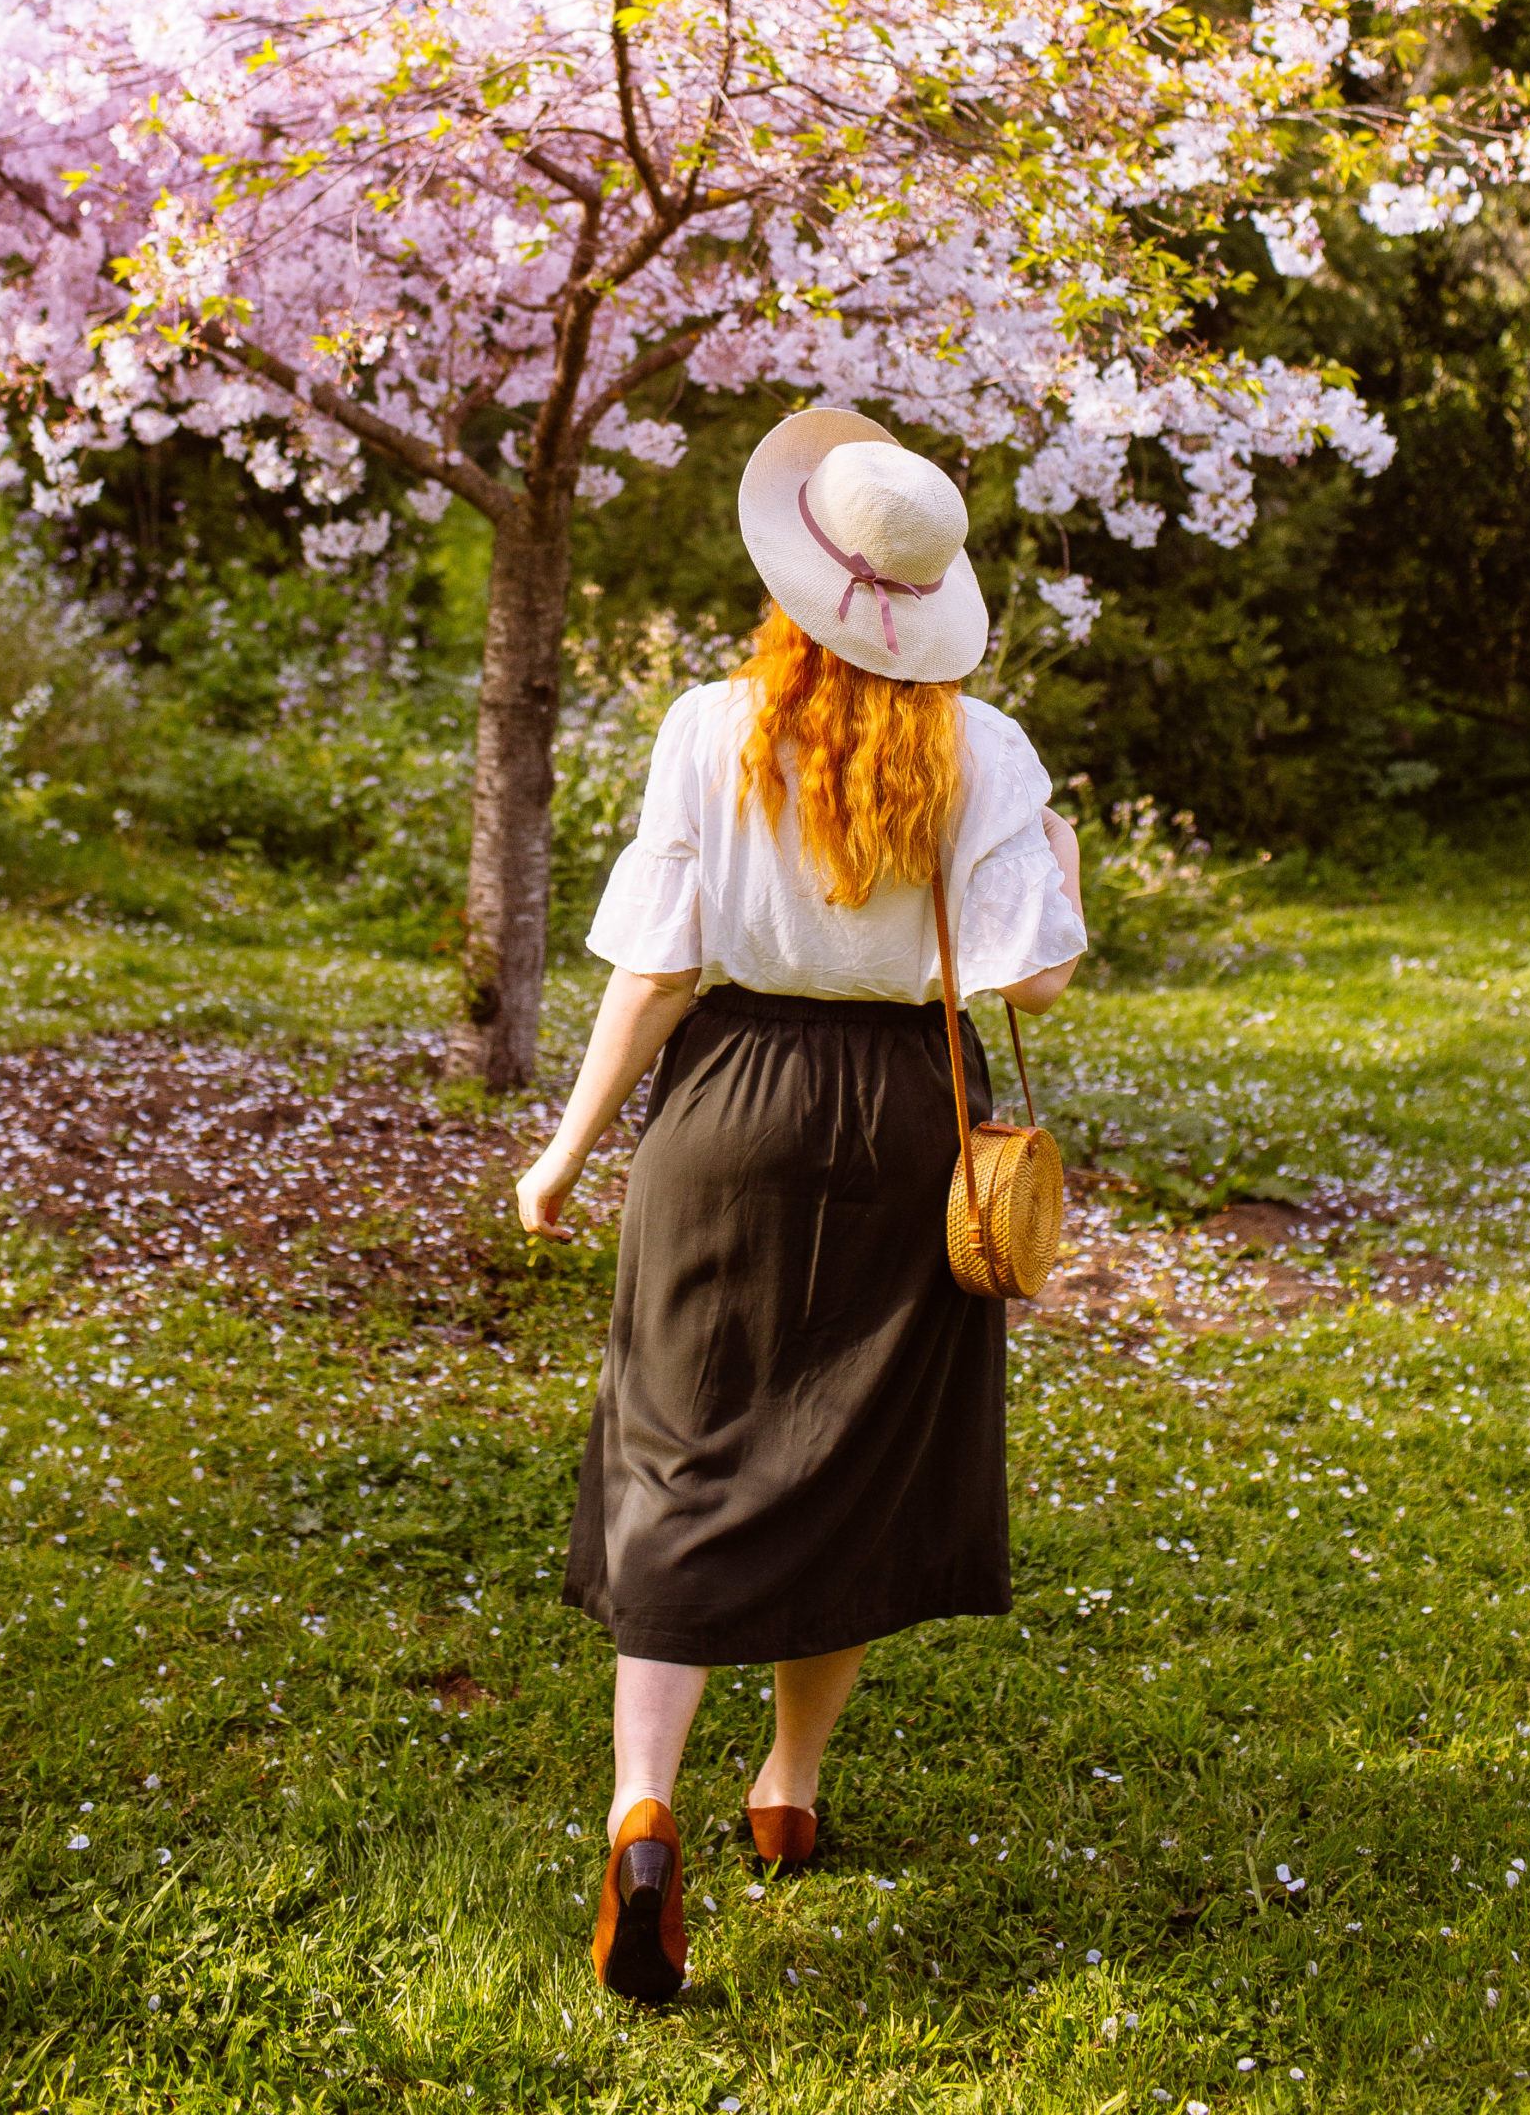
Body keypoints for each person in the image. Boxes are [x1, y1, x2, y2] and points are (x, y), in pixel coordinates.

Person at [513, 407, 1087, 2004]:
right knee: (849, 1455)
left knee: (682, 1448)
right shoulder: (988, 750)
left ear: (798, 583)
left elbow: (654, 972)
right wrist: (1067, 872)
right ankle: (786, 1794)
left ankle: (643, 1809)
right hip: (911, 1111)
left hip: (728, 1107)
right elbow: (1032, 970)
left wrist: (566, 1156)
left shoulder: (708, 724)